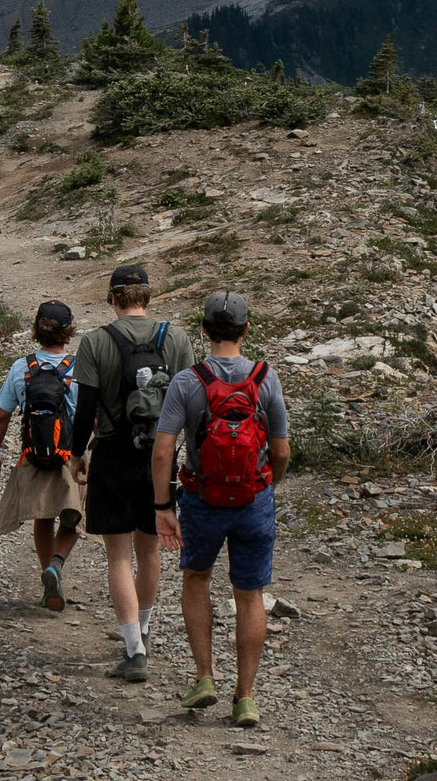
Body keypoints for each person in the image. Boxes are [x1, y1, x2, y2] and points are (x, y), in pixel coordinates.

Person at [152, 290, 290, 727]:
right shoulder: (266, 379)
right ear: (247, 329)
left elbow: (162, 451)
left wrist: (163, 505)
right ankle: (246, 697)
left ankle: (204, 677)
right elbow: (282, 450)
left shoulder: (187, 381)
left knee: (196, 579)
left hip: (202, 499)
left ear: (205, 330)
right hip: (254, 500)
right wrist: (269, 486)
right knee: (249, 595)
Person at [68, 265, 195, 682]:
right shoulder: (176, 339)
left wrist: (76, 456)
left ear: (112, 298)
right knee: (150, 550)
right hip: (159, 456)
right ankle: (143, 626)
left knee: (118, 554)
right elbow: (193, 406)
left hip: (112, 454)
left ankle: (133, 648)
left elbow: (85, 409)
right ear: (149, 295)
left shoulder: (95, 342)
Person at [0, 300, 84, 612]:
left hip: (33, 454)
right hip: (70, 455)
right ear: (69, 331)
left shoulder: (21, 367)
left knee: (43, 516)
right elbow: (91, 418)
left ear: (36, 329)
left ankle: (48, 579)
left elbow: (2, 416)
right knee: (76, 515)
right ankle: (56, 564)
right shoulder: (78, 367)